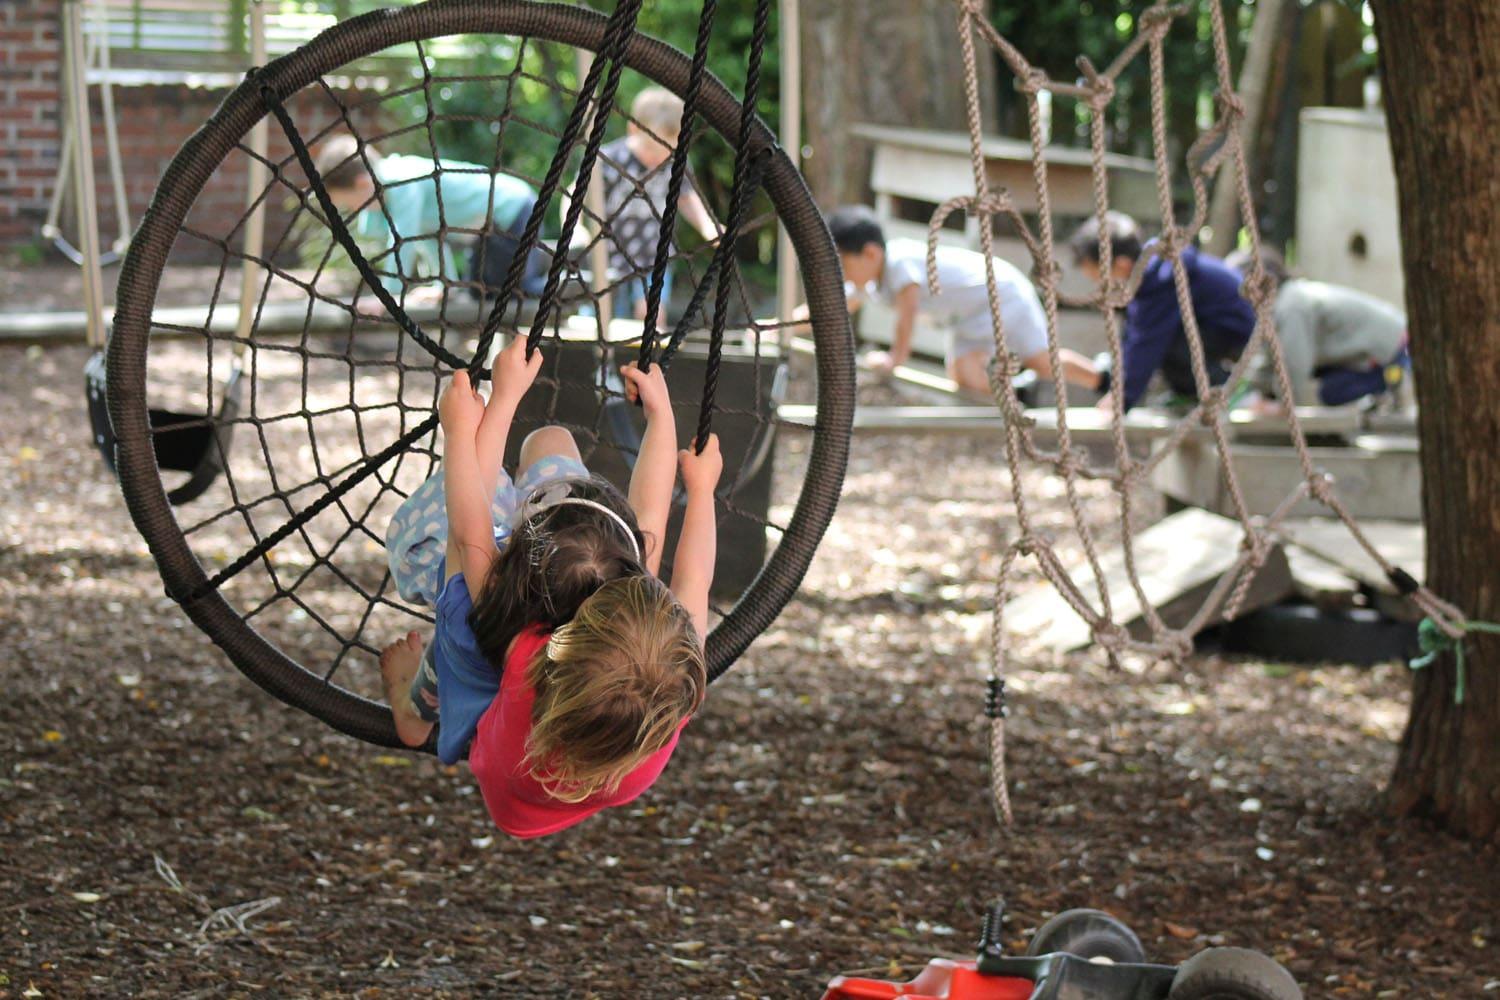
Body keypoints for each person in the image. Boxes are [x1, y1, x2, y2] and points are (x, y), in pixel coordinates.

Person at [379, 335, 721, 838]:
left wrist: (478, 417)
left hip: (505, 753)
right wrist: (668, 428)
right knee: (551, 442)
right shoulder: (661, 681)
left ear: (518, 567)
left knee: (465, 629)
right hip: (587, 768)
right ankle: (437, 691)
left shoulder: (514, 644)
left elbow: (468, 528)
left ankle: (418, 706)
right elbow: (679, 560)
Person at [823, 206, 1100, 397]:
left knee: (1042, 361)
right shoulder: (871, 281)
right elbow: (834, 309)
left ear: (870, 254)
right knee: (963, 375)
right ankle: (1018, 392)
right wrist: (785, 325)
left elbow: (906, 318)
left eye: (844, 265)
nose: (842, 275)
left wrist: (894, 359)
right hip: (976, 314)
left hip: (1002, 294)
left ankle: (1104, 379)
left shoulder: (900, 263)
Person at [313, 135, 548, 307]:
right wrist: (445, 285)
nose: (352, 211)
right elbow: (429, 239)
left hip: (514, 211)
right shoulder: (392, 191)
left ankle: (569, 282)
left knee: (517, 294)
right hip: (488, 232)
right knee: (482, 294)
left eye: (348, 203)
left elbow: (403, 242)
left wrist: (387, 297)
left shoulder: (401, 182)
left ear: (363, 184)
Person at [1068, 212, 1257, 412]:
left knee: (1163, 342)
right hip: (1214, 327)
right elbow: (1133, 336)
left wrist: (1121, 399)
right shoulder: (1151, 274)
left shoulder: (1162, 278)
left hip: (1236, 330)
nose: (1100, 286)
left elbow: (1146, 344)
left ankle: (1223, 390)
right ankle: (1190, 392)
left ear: (1121, 264)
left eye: (1100, 278)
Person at [1225, 248, 1409, 411]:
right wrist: (1246, 394)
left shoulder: (1292, 306)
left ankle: (1389, 389)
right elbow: (1267, 361)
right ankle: (1383, 393)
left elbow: (1293, 362)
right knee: (1327, 384)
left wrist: (1282, 406)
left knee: (1331, 392)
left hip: (1393, 351)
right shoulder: (1281, 305)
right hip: (1384, 347)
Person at [594, 87, 720, 320]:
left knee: (652, 316)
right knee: (603, 316)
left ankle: (650, 355)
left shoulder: (674, 163)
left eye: (668, 150)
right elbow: (575, 195)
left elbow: (687, 198)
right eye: (651, 149)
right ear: (633, 129)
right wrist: (575, 230)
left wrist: (708, 227)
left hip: (654, 255)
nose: (658, 158)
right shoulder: (610, 159)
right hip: (610, 257)